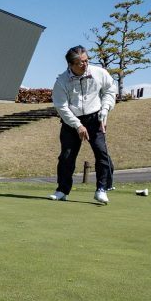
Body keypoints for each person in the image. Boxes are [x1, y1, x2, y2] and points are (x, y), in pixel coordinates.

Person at [48, 45, 116, 204]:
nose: (85, 64)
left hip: (95, 118)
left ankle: (101, 189)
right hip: (71, 121)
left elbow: (109, 91)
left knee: (101, 153)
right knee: (66, 156)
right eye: (80, 63)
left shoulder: (99, 73)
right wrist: (77, 125)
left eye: (87, 60)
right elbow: (61, 107)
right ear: (70, 65)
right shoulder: (61, 81)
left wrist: (105, 109)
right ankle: (62, 190)